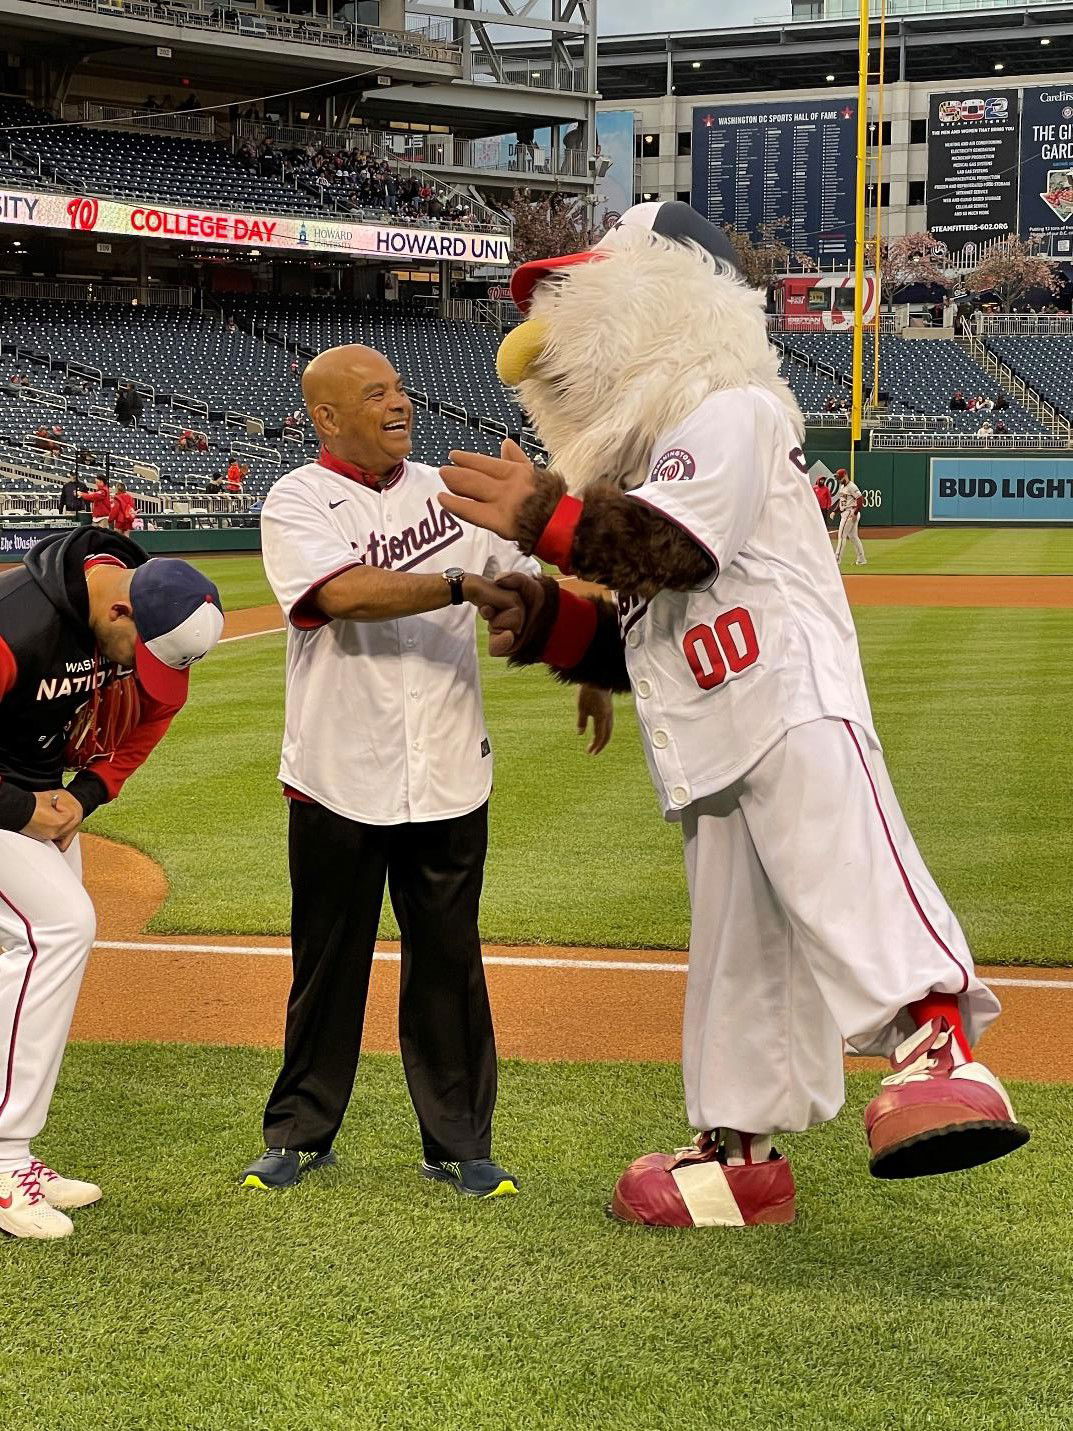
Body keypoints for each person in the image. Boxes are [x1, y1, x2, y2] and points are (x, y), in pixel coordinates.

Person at [436, 200, 1026, 1227]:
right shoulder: (662, 446)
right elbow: (650, 625)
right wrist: (549, 627)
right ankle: (739, 1156)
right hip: (708, 733)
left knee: (844, 874)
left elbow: (677, 549)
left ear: (656, 295)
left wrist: (546, 516)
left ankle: (943, 1054)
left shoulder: (729, 409)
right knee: (737, 955)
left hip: (786, 700)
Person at [238, 343, 565, 1201]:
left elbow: (525, 585)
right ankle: (300, 1132)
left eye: (399, 388)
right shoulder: (298, 496)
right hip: (339, 768)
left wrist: (538, 609)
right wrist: (460, 583)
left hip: (450, 764)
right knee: (326, 961)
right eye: (373, 392)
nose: (398, 402)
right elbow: (339, 595)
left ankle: (459, 1142)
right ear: (326, 415)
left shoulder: (447, 492)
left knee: (449, 964)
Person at [0, 528, 224, 1238]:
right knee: (61, 926)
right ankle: (3, 1160)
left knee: (38, 949)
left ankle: (14, 1153)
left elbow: (155, 713)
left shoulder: (147, 604)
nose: (147, 673)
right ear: (120, 613)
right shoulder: (16, 622)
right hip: (8, 800)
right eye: (144, 655)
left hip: (34, 793)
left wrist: (87, 792)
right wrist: (21, 810)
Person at [833, 468, 867, 567]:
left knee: (841, 536)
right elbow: (842, 502)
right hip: (847, 511)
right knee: (853, 537)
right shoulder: (842, 486)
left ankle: (836, 560)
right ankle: (861, 559)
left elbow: (860, 499)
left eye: (840, 478)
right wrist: (835, 511)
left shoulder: (852, 486)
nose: (839, 480)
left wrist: (855, 513)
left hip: (850, 512)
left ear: (845, 476)